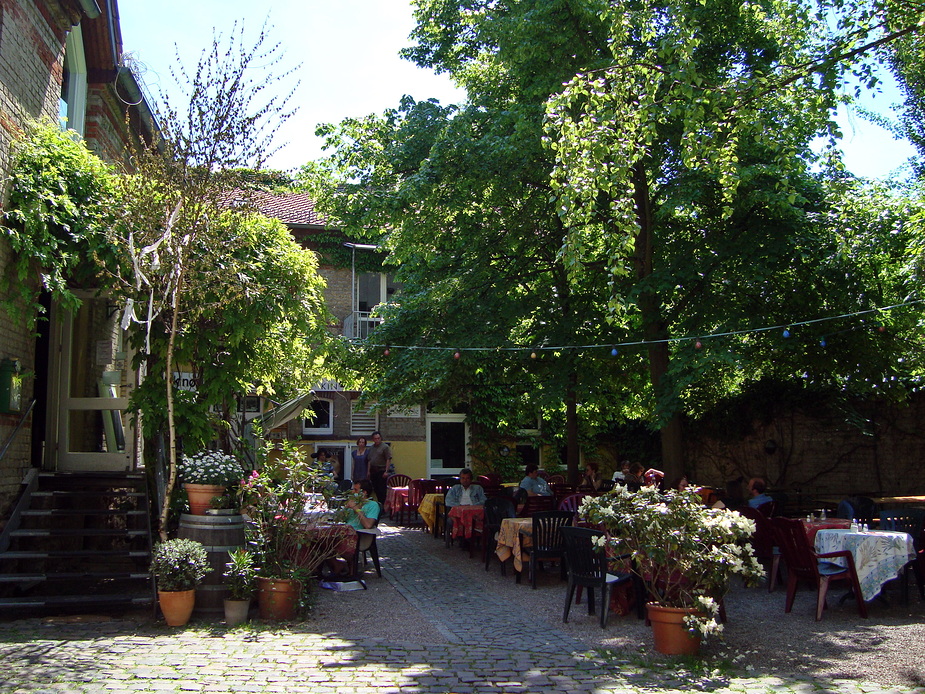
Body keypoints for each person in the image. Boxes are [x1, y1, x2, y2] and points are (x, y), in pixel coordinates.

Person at [367, 431, 392, 504]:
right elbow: (369, 460)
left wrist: (386, 471)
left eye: (378, 438)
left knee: (382, 490)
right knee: (376, 489)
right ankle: (379, 504)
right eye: (375, 438)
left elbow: (388, 459)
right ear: (373, 439)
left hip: (381, 470)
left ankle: (383, 506)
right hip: (373, 471)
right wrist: (368, 471)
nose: (377, 440)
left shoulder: (385, 447)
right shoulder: (371, 448)